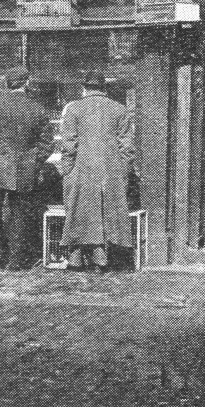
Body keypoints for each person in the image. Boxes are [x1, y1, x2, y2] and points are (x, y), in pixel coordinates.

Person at [0, 66, 51, 271]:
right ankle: (15, 262)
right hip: (25, 170)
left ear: (7, 84)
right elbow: (47, 144)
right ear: (26, 83)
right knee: (19, 216)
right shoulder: (37, 109)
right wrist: (35, 161)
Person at [58, 71, 135, 273]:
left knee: (78, 212)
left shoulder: (74, 109)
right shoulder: (119, 109)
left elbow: (68, 145)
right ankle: (100, 259)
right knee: (105, 213)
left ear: (84, 88)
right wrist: (124, 173)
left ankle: (76, 259)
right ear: (104, 88)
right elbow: (126, 148)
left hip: (81, 169)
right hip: (110, 171)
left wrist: (66, 170)